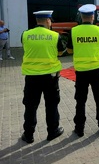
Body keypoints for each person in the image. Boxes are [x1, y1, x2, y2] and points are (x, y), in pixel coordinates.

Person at [66, 4, 99, 137]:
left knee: (80, 101)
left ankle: (79, 128)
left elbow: (69, 50)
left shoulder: (73, 31)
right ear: (93, 16)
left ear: (81, 16)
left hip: (81, 72)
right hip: (97, 71)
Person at [21, 10, 64, 143]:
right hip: (50, 77)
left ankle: (28, 135)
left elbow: (25, 48)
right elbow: (61, 52)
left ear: (36, 21)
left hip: (31, 76)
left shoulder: (25, 34)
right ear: (47, 20)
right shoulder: (55, 35)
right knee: (51, 105)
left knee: (30, 106)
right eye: (50, 20)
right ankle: (53, 131)